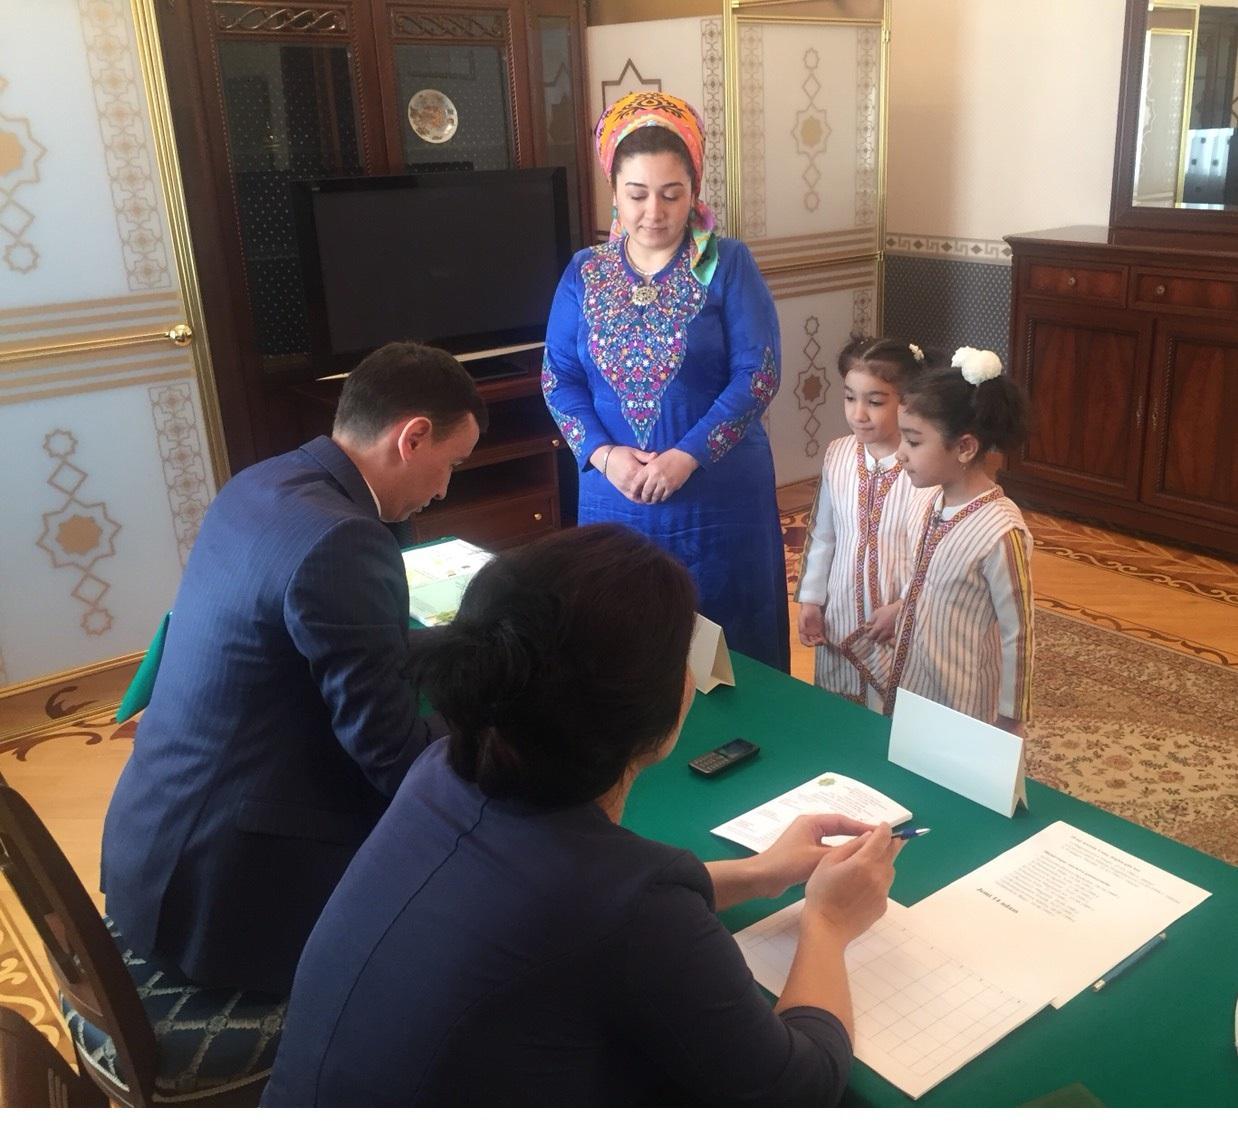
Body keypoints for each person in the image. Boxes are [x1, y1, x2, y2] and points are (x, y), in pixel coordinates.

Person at [262, 525, 900, 1106]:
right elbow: (799, 1090)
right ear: (657, 705)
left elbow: (587, 907)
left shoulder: (439, 774)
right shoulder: (632, 905)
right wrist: (827, 921)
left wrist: (760, 874)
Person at [100, 341, 486, 995]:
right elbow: (393, 757)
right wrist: (496, 721)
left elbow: (337, 650)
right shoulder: (346, 541)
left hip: (154, 847)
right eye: (451, 464)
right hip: (229, 900)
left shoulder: (263, 483)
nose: (445, 489)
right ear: (413, 437)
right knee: (466, 934)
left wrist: (467, 648)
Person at [541, 90, 789, 671]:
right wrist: (604, 456)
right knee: (621, 645)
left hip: (716, 494)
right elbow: (559, 377)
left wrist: (685, 457)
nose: (654, 211)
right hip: (615, 495)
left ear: (694, 192)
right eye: (638, 195)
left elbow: (759, 374)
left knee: (729, 653)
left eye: (672, 194)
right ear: (614, 194)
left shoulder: (723, 262)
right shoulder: (588, 271)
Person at [886, 347, 1033, 734]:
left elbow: (1018, 632)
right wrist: (898, 609)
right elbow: (927, 582)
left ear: (965, 447)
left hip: (965, 700)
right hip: (916, 680)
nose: (899, 454)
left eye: (914, 442)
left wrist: (1010, 718)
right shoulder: (930, 501)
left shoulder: (1001, 531)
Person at [796, 337, 941, 711]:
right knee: (838, 709)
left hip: (894, 617)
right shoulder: (838, 454)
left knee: (890, 714)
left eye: (875, 402)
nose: (858, 413)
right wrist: (811, 599)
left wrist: (903, 608)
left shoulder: (924, 468)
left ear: (906, 402)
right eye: (849, 397)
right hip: (840, 612)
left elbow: (933, 556)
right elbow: (822, 535)